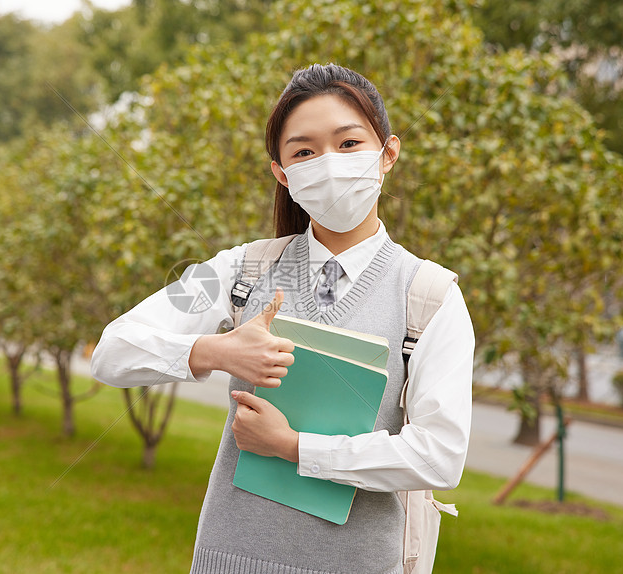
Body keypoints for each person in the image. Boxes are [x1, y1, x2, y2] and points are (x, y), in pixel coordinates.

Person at [91, 63, 474, 574]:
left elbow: (439, 457)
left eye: (348, 143)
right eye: (304, 152)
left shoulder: (429, 297)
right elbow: (112, 352)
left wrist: (294, 448)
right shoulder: (239, 271)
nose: (330, 164)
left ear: (388, 154)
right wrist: (213, 351)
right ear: (282, 173)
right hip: (231, 559)